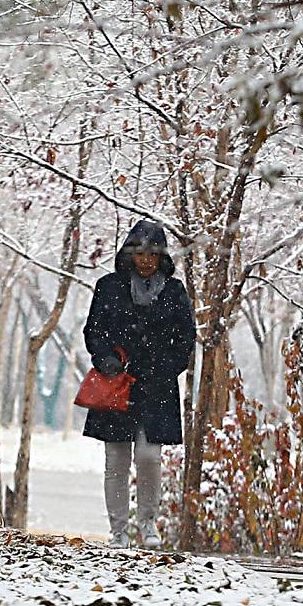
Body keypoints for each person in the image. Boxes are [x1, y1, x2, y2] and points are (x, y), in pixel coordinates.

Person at [82, 218, 197, 546]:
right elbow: (94, 329)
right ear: (129, 253)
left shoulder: (174, 291)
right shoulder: (109, 286)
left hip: (157, 386)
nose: (146, 260)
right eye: (140, 253)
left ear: (162, 258)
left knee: (149, 456)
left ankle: (148, 523)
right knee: (116, 458)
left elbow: (186, 335)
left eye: (153, 254)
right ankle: (118, 530)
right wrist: (106, 360)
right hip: (116, 382)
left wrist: (168, 366)